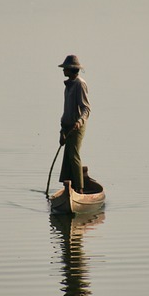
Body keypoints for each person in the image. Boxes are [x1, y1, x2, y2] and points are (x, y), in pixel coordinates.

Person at [58, 55, 91, 193]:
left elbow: (86, 108)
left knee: (73, 155)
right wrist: (62, 131)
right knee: (67, 157)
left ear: (72, 70)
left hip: (77, 127)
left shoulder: (80, 84)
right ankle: (69, 186)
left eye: (65, 68)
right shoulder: (68, 85)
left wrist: (79, 121)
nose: (63, 70)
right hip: (67, 126)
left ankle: (80, 189)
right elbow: (66, 110)